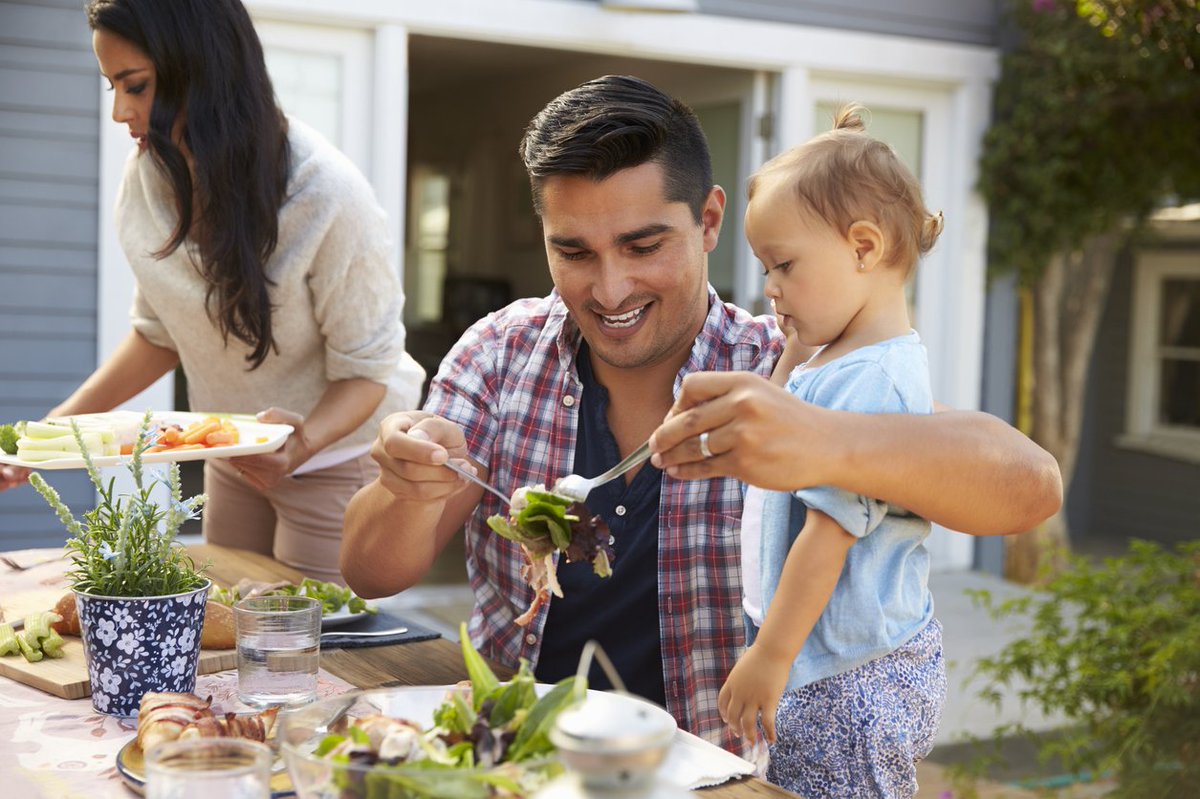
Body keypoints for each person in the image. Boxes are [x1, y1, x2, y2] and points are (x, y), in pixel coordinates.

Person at [341, 75, 1061, 753]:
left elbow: (1031, 486)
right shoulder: (501, 353)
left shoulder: (787, 369)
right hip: (519, 759)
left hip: (709, 771)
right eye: (574, 252)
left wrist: (830, 442)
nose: (610, 287)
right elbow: (372, 572)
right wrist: (408, 485)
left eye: (643, 245)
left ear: (710, 219)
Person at [0, 0, 424, 582]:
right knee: (223, 631)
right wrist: (49, 435)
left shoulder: (326, 194)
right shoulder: (147, 178)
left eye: (138, 86)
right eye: (112, 88)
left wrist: (301, 447)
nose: (122, 112)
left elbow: (368, 370)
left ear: (202, 69)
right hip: (231, 451)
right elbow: (159, 334)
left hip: (335, 455)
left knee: (317, 647)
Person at [716, 105, 947, 797]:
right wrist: (792, 347)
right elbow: (783, 412)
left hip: (847, 676)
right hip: (822, 655)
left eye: (784, 265)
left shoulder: (876, 380)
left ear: (864, 248)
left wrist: (770, 654)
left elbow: (828, 533)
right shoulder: (837, 360)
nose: (770, 287)